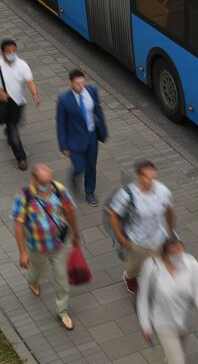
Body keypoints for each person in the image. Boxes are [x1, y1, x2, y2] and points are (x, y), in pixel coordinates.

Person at [11, 164, 80, 330]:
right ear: (34, 179)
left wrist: (76, 233)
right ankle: (33, 282)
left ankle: (62, 311)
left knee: (62, 279)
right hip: (36, 245)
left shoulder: (58, 189)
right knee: (37, 269)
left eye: (49, 181)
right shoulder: (24, 196)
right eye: (43, 182)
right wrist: (23, 253)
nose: (47, 185)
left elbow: (69, 211)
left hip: (58, 244)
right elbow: (18, 226)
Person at [137, 238, 198, 364]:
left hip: (184, 321)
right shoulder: (151, 267)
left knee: (178, 354)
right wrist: (145, 324)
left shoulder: (191, 264)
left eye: (180, 250)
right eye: (174, 253)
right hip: (163, 324)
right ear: (165, 254)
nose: (179, 255)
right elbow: (143, 297)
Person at [109, 160, 174, 293]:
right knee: (134, 266)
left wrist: (170, 230)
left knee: (157, 265)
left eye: (153, 177)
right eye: (146, 177)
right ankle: (130, 277)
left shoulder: (163, 191)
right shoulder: (127, 194)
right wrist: (120, 237)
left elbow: (169, 210)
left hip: (158, 237)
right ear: (138, 176)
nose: (150, 181)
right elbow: (113, 214)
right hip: (137, 240)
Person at [56, 69, 108, 207]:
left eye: (82, 82)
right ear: (70, 83)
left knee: (91, 166)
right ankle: (74, 176)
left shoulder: (92, 91)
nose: (80, 86)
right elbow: (60, 124)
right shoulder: (64, 100)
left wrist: (103, 131)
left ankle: (89, 192)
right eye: (77, 83)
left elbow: (98, 110)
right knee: (80, 167)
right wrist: (63, 145)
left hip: (92, 136)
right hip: (74, 140)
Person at [0, 39, 41, 170]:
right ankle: (21, 158)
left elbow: (29, 80)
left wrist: (35, 94)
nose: (12, 53)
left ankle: (9, 132)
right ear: (2, 52)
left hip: (18, 102)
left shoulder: (22, 64)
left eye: (14, 51)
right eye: (8, 51)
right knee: (13, 129)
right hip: (3, 101)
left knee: (14, 124)